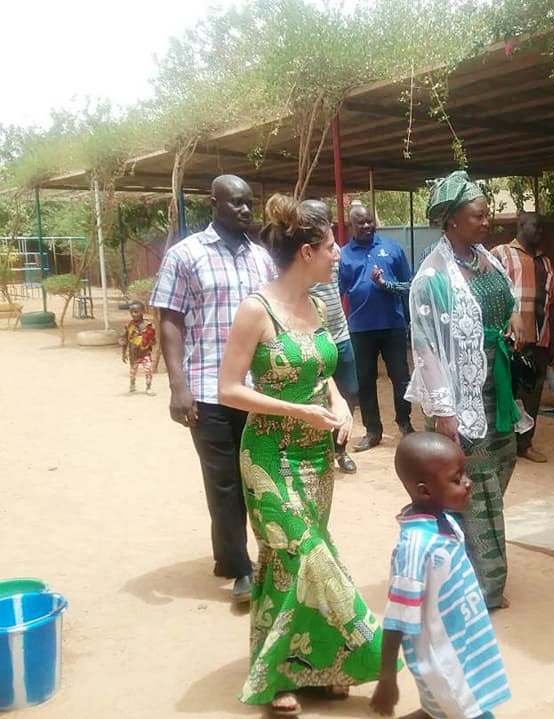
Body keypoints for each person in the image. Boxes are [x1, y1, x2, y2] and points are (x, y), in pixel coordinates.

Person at [219, 194, 386, 715]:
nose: (338, 254)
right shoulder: (256, 310)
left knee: (285, 566)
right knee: (304, 553)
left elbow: (323, 369)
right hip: (269, 456)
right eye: (331, 245)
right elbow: (228, 389)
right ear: (307, 252)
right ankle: (340, 656)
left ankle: (312, 667)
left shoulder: (319, 304)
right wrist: (298, 412)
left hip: (316, 458)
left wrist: (338, 404)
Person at [405, 170, 528, 609]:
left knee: (502, 463)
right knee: (480, 487)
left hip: (496, 387)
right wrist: (445, 411)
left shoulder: (485, 258)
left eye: (486, 213)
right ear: (452, 219)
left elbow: (503, 301)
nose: (487, 221)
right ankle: (485, 587)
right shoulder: (432, 277)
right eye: (478, 215)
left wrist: (512, 321)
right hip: (458, 396)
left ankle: (447, 557)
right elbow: (425, 348)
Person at [150, 174, 276, 602]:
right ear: (214, 203)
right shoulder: (186, 255)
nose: (245, 209)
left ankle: (249, 557)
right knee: (224, 482)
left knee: (259, 476)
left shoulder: (261, 258)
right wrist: (178, 385)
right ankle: (239, 568)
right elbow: (170, 319)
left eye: (248, 202)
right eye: (235, 202)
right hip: (208, 389)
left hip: (256, 388)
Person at [371, 432, 511, 719]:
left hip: (464, 648)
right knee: (468, 712)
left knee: (444, 711)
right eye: (457, 479)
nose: (468, 483)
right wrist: (387, 679)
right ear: (425, 491)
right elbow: (397, 618)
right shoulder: (416, 547)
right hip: (445, 661)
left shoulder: (444, 521)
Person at [338, 204, 415, 451]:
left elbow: (409, 284)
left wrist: (409, 318)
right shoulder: (343, 255)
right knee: (365, 381)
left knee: (401, 378)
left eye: (369, 221)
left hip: (393, 325)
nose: (366, 226)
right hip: (360, 329)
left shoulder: (392, 248)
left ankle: (405, 423)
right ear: (351, 225)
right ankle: (373, 431)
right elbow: (337, 292)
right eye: (360, 223)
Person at [491, 212, 554, 463]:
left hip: (539, 339)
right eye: (535, 226)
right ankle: (502, 443)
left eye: (543, 228)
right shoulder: (500, 254)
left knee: (532, 393)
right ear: (520, 226)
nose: (540, 232)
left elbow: (552, 303)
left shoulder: (545, 262)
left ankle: (525, 443)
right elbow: (490, 294)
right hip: (508, 339)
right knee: (504, 390)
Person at [300, 199, 358, 474]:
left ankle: (340, 448)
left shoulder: (334, 251)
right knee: (318, 395)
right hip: (314, 336)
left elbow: (343, 283)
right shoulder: (304, 256)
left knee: (350, 391)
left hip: (340, 333)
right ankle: (319, 450)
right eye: (321, 219)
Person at [121, 300, 156, 394]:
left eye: (136, 312)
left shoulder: (148, 326)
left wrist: (146, 341)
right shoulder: (129, 326)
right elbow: (124, 340)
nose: (134, 314)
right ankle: (132, 384)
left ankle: (148, 387)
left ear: (142, 312)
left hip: (145, 353)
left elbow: (153, 340)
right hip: (133, 354)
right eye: (132, 312)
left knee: (148, 369)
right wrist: (123, 353)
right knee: (133, 371)